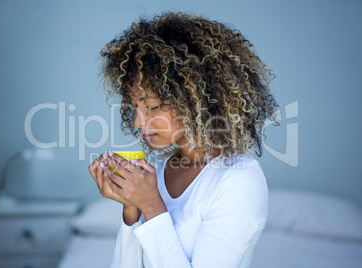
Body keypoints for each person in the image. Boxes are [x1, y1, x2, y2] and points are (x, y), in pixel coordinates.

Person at [89, 11, 279, 268]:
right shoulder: (155, 168)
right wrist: (132, 211)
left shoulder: (239, 179)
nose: (137, 121)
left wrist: (152, 204)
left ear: (194, 102)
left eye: (152, 107)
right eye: (134, 106)